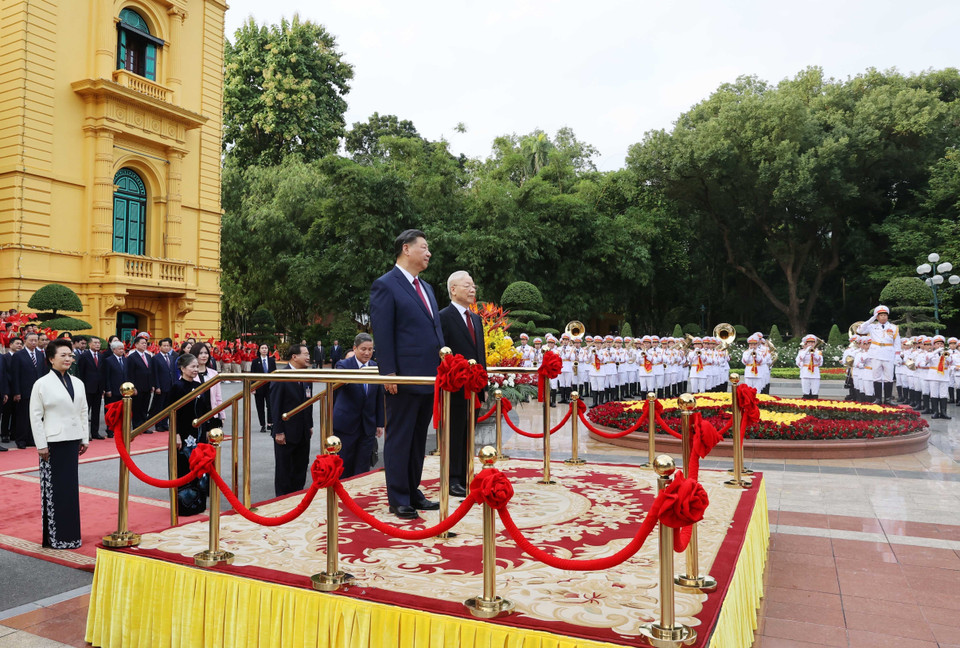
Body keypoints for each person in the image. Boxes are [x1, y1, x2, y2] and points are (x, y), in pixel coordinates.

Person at [369, 229, 444, 519]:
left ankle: (413, 490)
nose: (428, 253)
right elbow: (384, 332)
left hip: (428, 376)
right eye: (424, 248)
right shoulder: (386, 285)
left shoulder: (426, 288)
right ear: (406, 249)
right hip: (403, 377)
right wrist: (389, 373)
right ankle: (398, 497)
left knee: (417, 439)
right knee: (399, 438)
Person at [30, 339, 89, 548]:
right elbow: (35, 417)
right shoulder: (42, 384)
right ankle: (56, 538)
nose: (68, 358)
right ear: (51, 358)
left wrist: (84, 437)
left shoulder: (78, 382)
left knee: (70, 491)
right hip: (52, 443)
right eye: (63, 355)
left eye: (70, 355)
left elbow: (83, 411)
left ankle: (72, 536)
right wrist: (41, 445)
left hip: (73, 441)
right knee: (55, 491)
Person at [438, 271, 486, 497]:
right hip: (454, 387)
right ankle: (452, 478)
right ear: (453, 289)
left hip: (473, 388)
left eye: (473, 286)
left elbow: (481, 354)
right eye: (467, 286)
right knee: (454, 434)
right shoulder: (443, 317)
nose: (472, 289)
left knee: (469, 432)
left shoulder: (475, 318)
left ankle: (467, 473)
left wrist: (482, 384)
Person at [332, 333, 384, 479]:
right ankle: (342, 496)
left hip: (367, 425)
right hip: (346, 424)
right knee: (345, 464)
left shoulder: (376, 367)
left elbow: (379, 397)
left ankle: (358, 498)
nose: (367, 353)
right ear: (355, 348)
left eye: (370, 349)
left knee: (363, 466)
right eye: (363, 349)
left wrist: (379, 423)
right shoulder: (344, 365)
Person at [167, 353, 212, 516]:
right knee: (184, 466)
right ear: (182, 368)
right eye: (192, 366)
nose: (195, 369)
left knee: (200, 467)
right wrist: (176, 434)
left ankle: (199, 503)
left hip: (198, 432)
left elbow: (205, 409)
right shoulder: (176, 387)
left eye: (196, 366)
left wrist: (206, 429)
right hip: (183, 434)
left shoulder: (199, 385)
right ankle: (185, 505)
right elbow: (171, 413)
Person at [270, 344, 314, 497]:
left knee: (301, 468)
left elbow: (309, 403)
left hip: (303, 432)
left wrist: (310, 425)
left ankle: (298, 498)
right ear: (294, 357)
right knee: (284, 470)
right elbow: (275, 407)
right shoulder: (281, 376)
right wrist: (278, 431)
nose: (308, 357)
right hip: (286, 433)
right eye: (305, 354)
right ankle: (282, 501)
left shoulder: (307, 376)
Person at [11, 331, 50, 449]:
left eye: (35, 340)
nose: (33, 343)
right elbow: (15, 375)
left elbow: (43, 373)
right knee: (23, 416)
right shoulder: (19, 355)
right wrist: (16, 392)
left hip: (38, 391)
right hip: (24, 391)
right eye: (31, 340)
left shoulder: (40, 354)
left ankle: (31, 438)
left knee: (36, 416)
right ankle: (21, 440)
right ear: (25, 341)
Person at [857, 305, 901, 405]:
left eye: (885, 315)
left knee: (888, 377)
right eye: (881, 315)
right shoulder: (872, 327)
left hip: (888, 353)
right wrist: (870, 320)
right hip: (875, 353)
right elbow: (859, 330)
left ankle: (888, 399)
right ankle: (877, 398)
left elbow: (897, 343)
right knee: (876, 377)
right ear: (877, 317)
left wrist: (897, 355)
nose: (883, 317)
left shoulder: (893, 328)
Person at [76, 336, 105, 439]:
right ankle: (84, 434)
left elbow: (103, 373)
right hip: (87, 388)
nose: (98, 344)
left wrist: (103, 387)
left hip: (98, 388)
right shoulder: (84, 356)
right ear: (90, 344)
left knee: (96, 412)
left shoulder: (101, 356)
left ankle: (95, 432)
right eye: (95, 343)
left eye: (99, 343)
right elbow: (81, 373)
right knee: (85, 412)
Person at [125, 333, 154, 431]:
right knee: (137, 408)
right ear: (136, 345)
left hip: (147, 386)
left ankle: (144, 426)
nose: (144, 345)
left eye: (145, 343)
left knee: (145, 407)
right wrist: (133, 387)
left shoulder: (148, 356)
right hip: (137, 387)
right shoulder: (132, 357)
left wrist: (152, 384)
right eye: (142, 343)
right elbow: (130, 374)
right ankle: (137, 426)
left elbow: (150, 371)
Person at [192, 343, 224, 428]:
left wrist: (222, 415)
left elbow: (218, 397)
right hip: (194, 417)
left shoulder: (214, 373)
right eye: (200, 353)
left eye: (206, 353)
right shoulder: (188, 374)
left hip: (211, 414)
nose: (204, 356)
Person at [150, 338, 178, 432]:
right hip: (161, 386)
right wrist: (157, 386)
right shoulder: (155, 358)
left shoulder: (171, 358)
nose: (166, 347)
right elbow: (155, 373)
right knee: (159, 406)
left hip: (170, 386)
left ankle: (165, 424)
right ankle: (158, 424)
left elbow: (173, 372)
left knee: (168, 406)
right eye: (164, 346)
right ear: (160, 347)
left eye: (168, 346)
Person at [249, 344, 277, 433]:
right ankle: (262, 424)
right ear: (259, 350)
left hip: (270, 387)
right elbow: (252, 375)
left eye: (266, 348)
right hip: (259, 386)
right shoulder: (255, 361)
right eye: (262, 348)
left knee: (270, 405)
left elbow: (276, 374)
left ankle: (270, 423)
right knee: (260, 406)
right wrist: (252, 387)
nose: (264, 350)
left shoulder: (272, 361)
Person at [796, 335, 823, 399]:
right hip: (805, 372)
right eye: (809, 342)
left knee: (815, 392)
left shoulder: (818, 352)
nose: (811, 344)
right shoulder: (802, 352)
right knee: (806, 391)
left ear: (815, 343)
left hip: (815, 373)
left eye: (812, 342)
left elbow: (820, 361)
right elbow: (801, 358)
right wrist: (806, 350)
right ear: (806, 343)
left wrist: (813, 353)